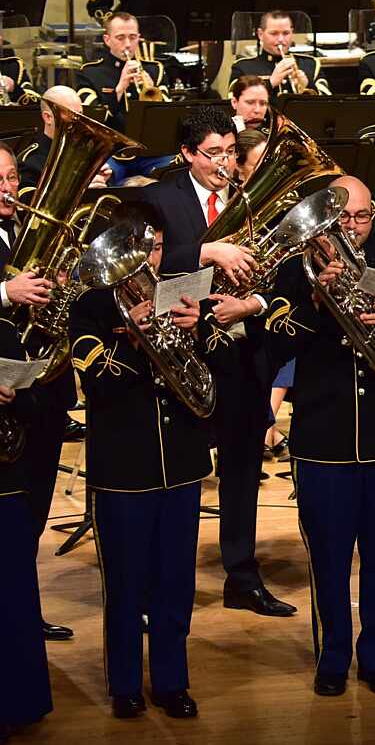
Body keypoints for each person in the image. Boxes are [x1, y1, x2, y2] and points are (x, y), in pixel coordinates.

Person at [257, 175, 375, 696]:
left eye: (361, 217)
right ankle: (333, 656)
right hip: (324, 440)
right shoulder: (292, 272)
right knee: (329, 559)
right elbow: (273, 344)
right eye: (342, 218)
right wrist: (316, 305)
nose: (352, 228)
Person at [141, 105, 296, 619]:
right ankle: (164, 586)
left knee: (242, 470)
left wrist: (250, 305)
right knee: (180, 476)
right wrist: (209, 251)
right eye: (213, 154)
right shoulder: (159, 199)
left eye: (230, 152)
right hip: (181, 356)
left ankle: (242, 576)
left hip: (242, 353)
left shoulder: (253, 199)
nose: (225, 164)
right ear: (187, 154)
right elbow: (145, 263)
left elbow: (278, 272)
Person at [70, 201, 209, 720]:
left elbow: (213, 364)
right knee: (126, 584)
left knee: (176, 581)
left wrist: (195, 330)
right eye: (142, 247)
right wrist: (137, 337)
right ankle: (126, 683)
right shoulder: (89, 306)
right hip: (124, 467)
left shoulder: (177, 292)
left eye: (154, 247)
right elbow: (99, 381)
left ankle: (172, 680)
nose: (151, 258)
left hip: (181, 462)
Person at [0, 143, 79, 645]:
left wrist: (62, 287)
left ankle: (24, 609)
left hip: (43, 391)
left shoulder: (29, 233)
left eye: (11, 177)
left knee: (35, 506)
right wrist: (7, 293)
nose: (9, 188)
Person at [0, 314, 51, 737]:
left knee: (14, 594)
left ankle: (19, 702)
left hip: (6, 484)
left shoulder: (1, 329)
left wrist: (14, 397)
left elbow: (34, 407)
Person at [77, 12, 167, 132]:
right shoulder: (89, 73)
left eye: (132, 37)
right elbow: (92, 121)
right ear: (107, 40)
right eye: (120, 38)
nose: (128, 44)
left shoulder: (155, 70)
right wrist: (119, 89)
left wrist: (152, 90)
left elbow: (166, 118)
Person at [229, 11, 331, 96]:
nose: (281, 39)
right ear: (260, 34)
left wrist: (308, 85)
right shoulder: (242, 67)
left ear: (292, 33)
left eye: (286, 33)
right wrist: (270, 83)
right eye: (274, 33)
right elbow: (234, 103)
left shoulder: (311, 65)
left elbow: (328, 105)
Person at [17, 86, 93, 190]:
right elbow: (31, 204)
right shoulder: (30, 163)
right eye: (72, 116)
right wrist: (81, 189)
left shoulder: (84, 152)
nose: (79, 122)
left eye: (80, 115)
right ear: (48, 117)